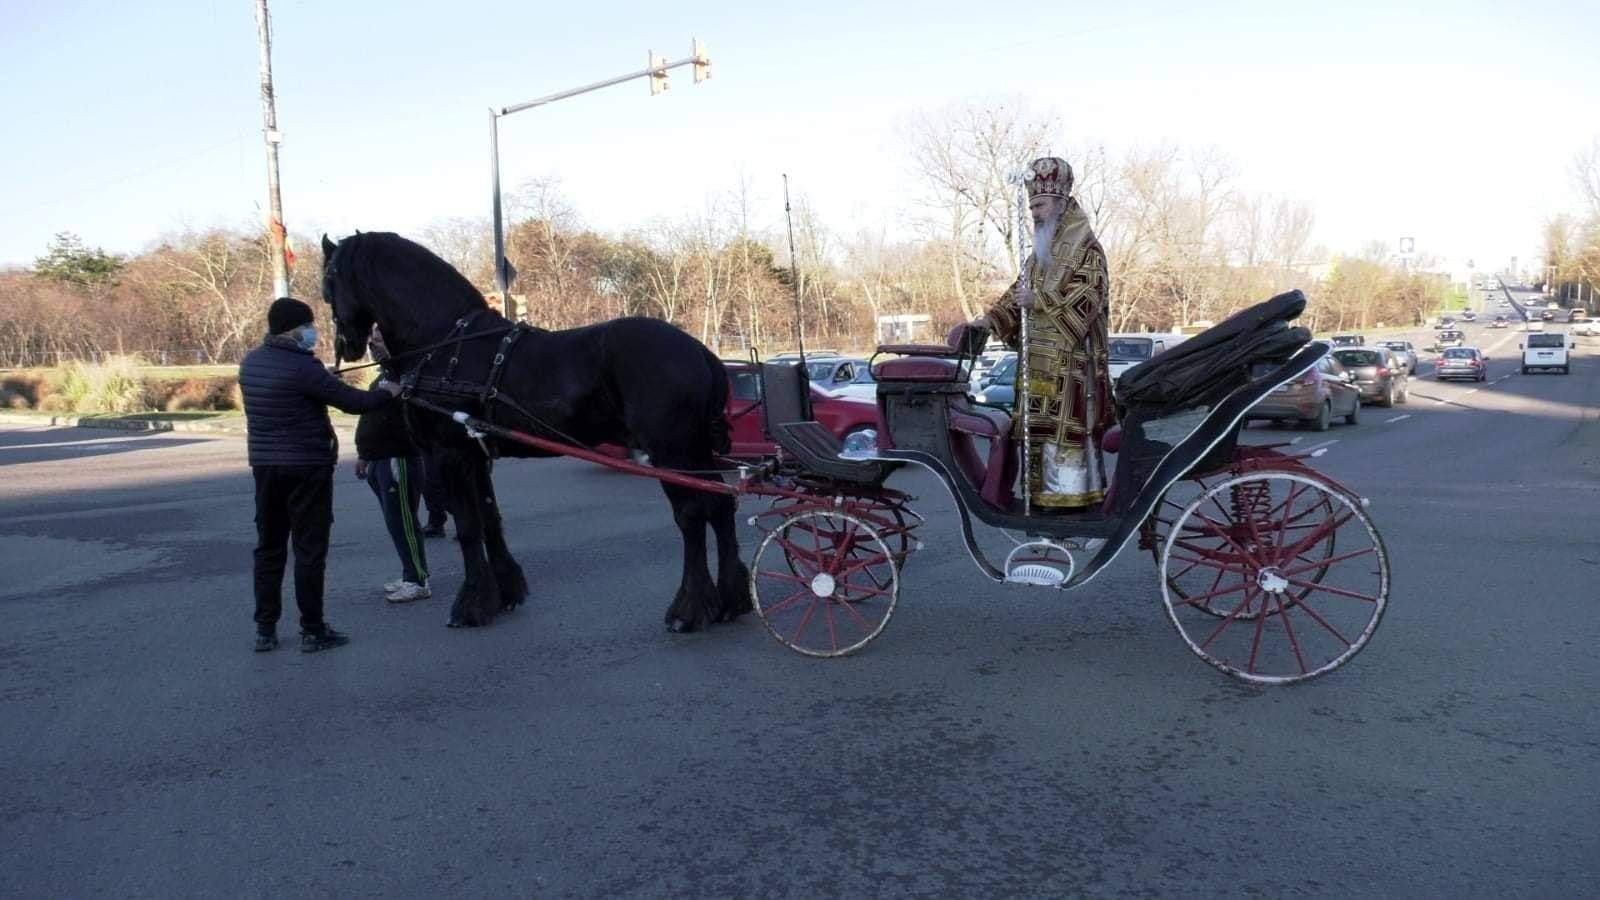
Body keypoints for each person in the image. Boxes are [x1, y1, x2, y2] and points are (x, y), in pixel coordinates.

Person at [239, 297, 401, 653]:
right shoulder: (304, 368)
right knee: (309, 549)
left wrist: (319, 380)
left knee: (269, 547)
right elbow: (352, 402)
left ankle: (265, 629)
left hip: (265, 468)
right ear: (296, 329)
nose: (312, 333)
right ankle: (312, 629)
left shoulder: (251, 363)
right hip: (306, 468)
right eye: (309, 327)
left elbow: (293, 390)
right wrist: (388, 393)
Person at [970, 156, 1114, 510]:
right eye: (1031, 205)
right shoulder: (1038, 255)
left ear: (1061, 203)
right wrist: (989, 321)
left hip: (1071, 368)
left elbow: (1088, 298)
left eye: (1041, 204)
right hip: (1037, 367)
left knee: (1065, 436)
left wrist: (1041, 300)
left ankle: (1073, 499)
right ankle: (1042, 500)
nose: (1034, 212)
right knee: (1038, 435)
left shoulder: (1088, 249)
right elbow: (1016, 295)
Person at [354, 328, 430, 603]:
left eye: (380, 337)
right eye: (372, 338)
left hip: (399, 457)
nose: (373, 342)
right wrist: (365, 454)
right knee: (395, 523)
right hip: (379, 460)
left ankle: (417, 580)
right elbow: (371, 418)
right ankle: (410, 572)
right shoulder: (384, 377)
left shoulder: (407, 376)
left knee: (404, 522)